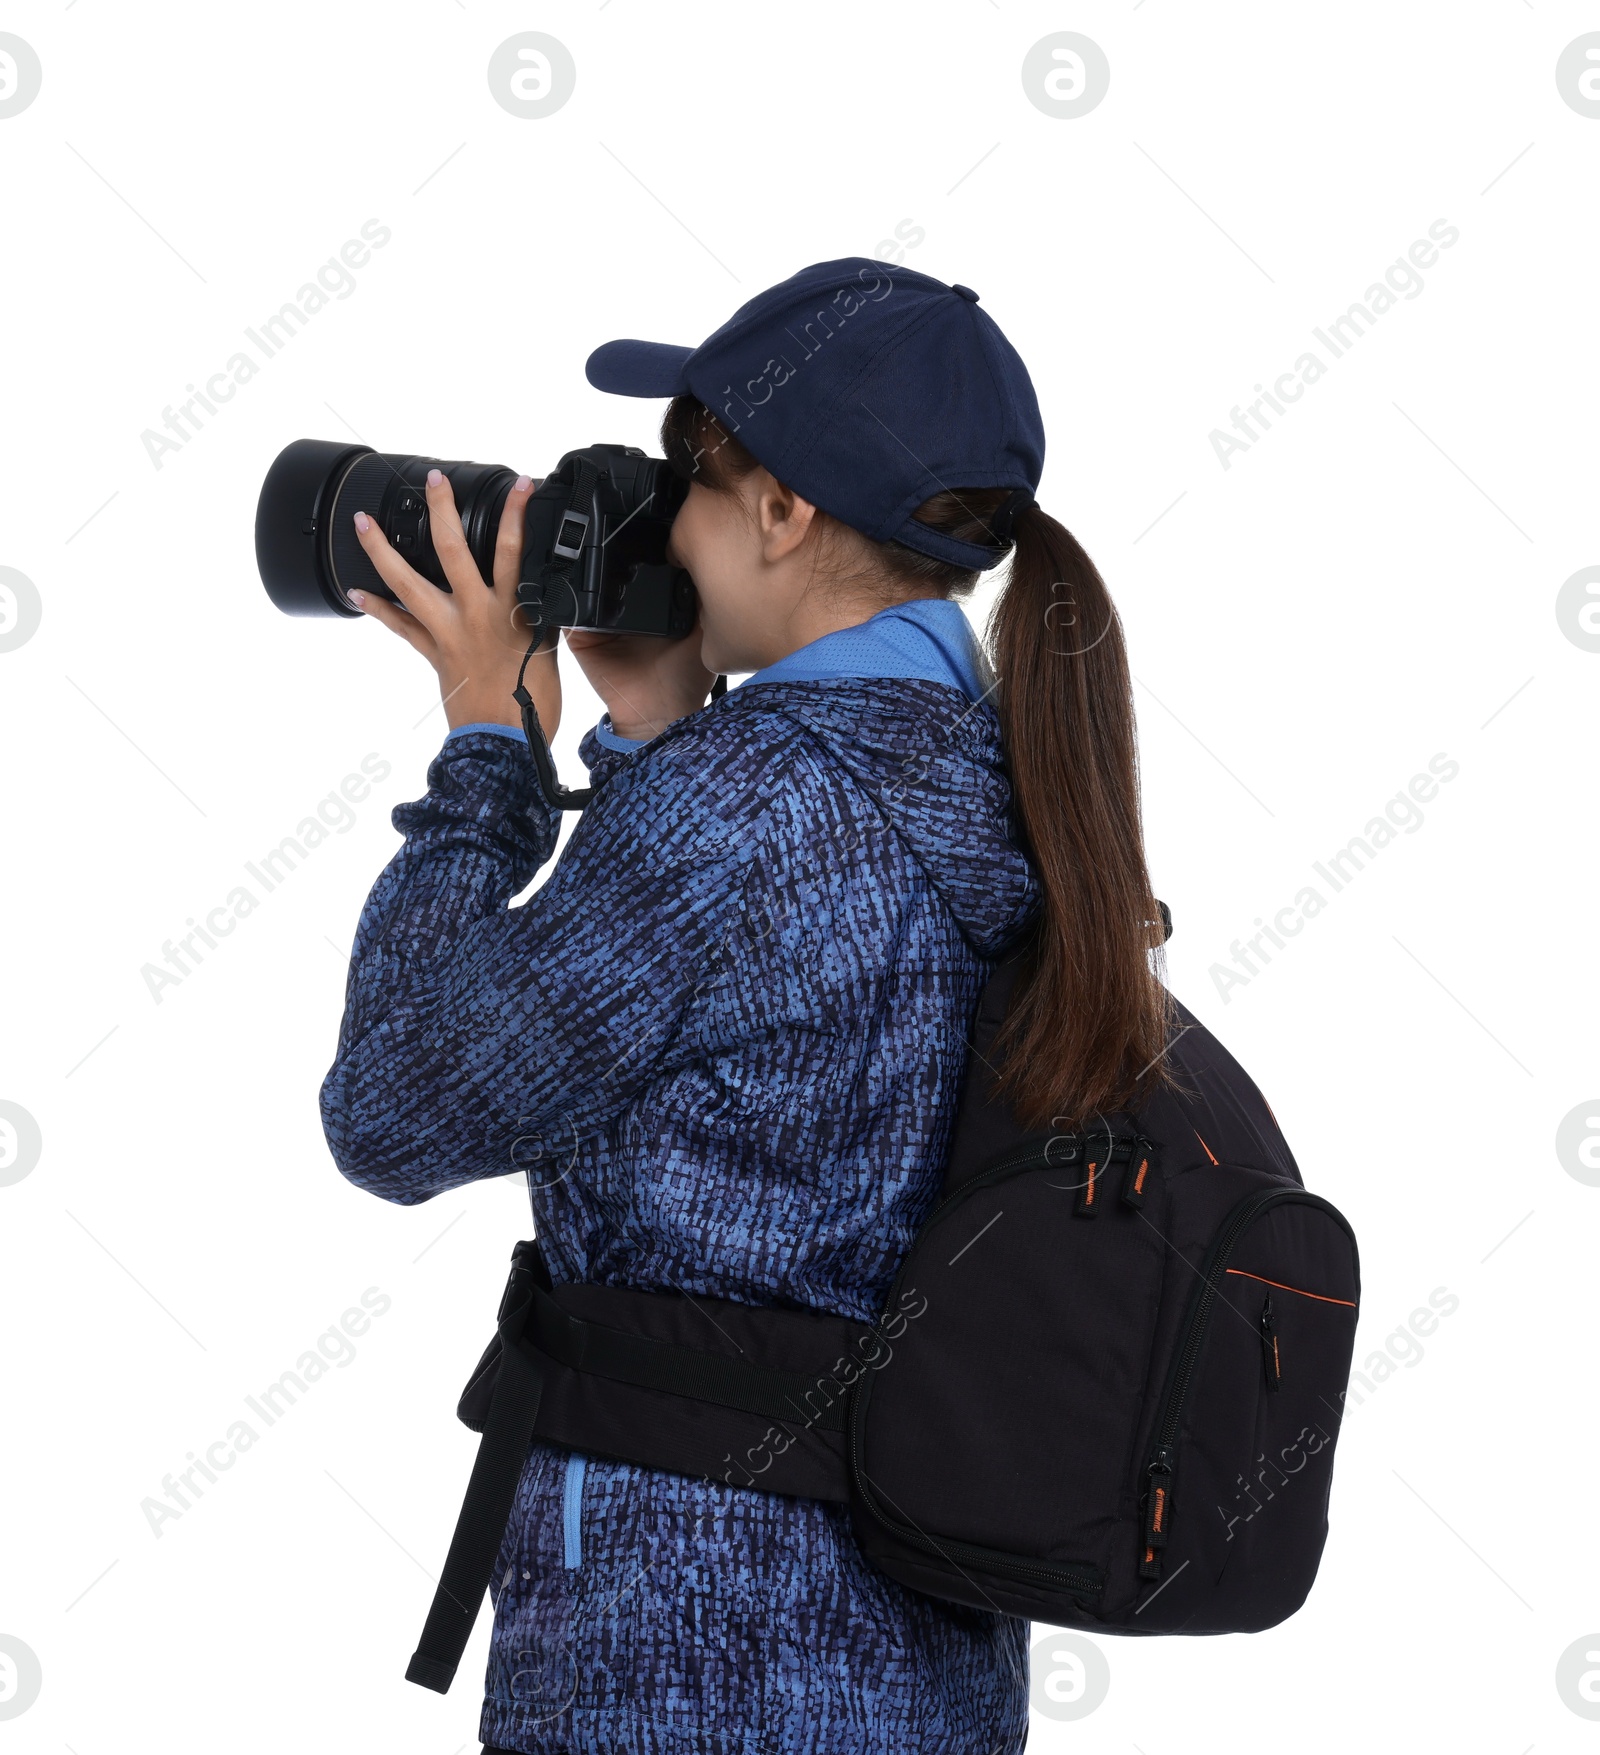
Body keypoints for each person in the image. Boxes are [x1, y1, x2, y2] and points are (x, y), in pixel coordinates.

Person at [320, 258, 1171, 1755]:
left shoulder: (744, 812)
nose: (665, 518)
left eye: (687, 477)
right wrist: (653, 733)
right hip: (923, 1657)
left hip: (678, 1661)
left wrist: (487, 762)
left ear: (781, 511)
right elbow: (767, 1045)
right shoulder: (1018, 781)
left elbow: (394, 1111)